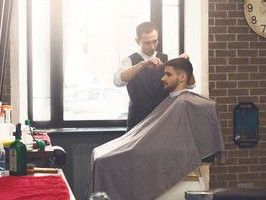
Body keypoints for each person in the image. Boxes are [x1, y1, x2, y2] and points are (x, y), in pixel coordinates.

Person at [86, 58, 225, 200]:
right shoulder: (172, 101)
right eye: (164, 74)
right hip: (148, 144)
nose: (163, 78)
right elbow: (118, 79)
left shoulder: (188, 104)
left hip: (158, 150)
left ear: (182, 77)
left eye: (168, 75)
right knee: (99, 155)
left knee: (103, 162)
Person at [113, 21, 195, 131]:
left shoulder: (168, 58)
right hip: (137, 122)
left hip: (164, 120)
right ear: (138, 41)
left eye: (155, 41)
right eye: (147, 43)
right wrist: (142, 65)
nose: (152, 46)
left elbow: (191, 85)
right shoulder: (129, 61)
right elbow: (117, 81)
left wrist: (186, 65)